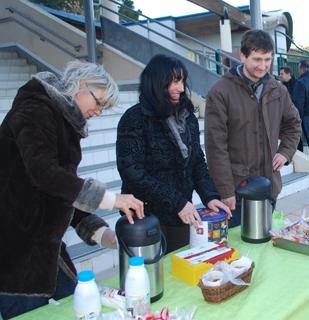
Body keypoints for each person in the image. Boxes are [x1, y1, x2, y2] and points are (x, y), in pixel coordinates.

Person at [0, 61, 144, 319]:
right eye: (99, 102)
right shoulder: (35, 109)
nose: (99, 112)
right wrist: (112, 199)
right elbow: (46, 176)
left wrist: (101, 234)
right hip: (14, 250)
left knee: (76, 305)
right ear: (81, 85)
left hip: (43, 248)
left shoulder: (62, 121)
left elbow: (63, 190)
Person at [116, 54, 230, 253]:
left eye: (182, 81)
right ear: (157, 83)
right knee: (151, 278)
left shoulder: (187, 117)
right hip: (145, 217)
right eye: (175, 81)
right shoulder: (134, 119)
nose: (180, 88)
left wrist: (210, 196)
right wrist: (177, 202)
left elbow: (197, 162)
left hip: (180, 214)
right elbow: (132, 172)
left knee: (180, 268)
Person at [205, 30, 302, 227]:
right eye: (257, 59)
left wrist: (285, 152)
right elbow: (216, 147)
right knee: (238, 253)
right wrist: (226, 191)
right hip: (237, 192)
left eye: (267, 59)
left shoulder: (278, 89)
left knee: (264, 246)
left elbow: (294, 124)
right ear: (242, 56)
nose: (263, 66)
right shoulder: (220, 92)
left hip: (269, 187)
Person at [279, 66, 306, 152]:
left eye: (282, 74)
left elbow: (298, 102)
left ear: (288, 74)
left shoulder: (297, 85)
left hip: (296, 115)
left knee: (297, 137)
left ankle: (300, 154)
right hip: (285, 116)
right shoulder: (283, 85)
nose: (280, 76)